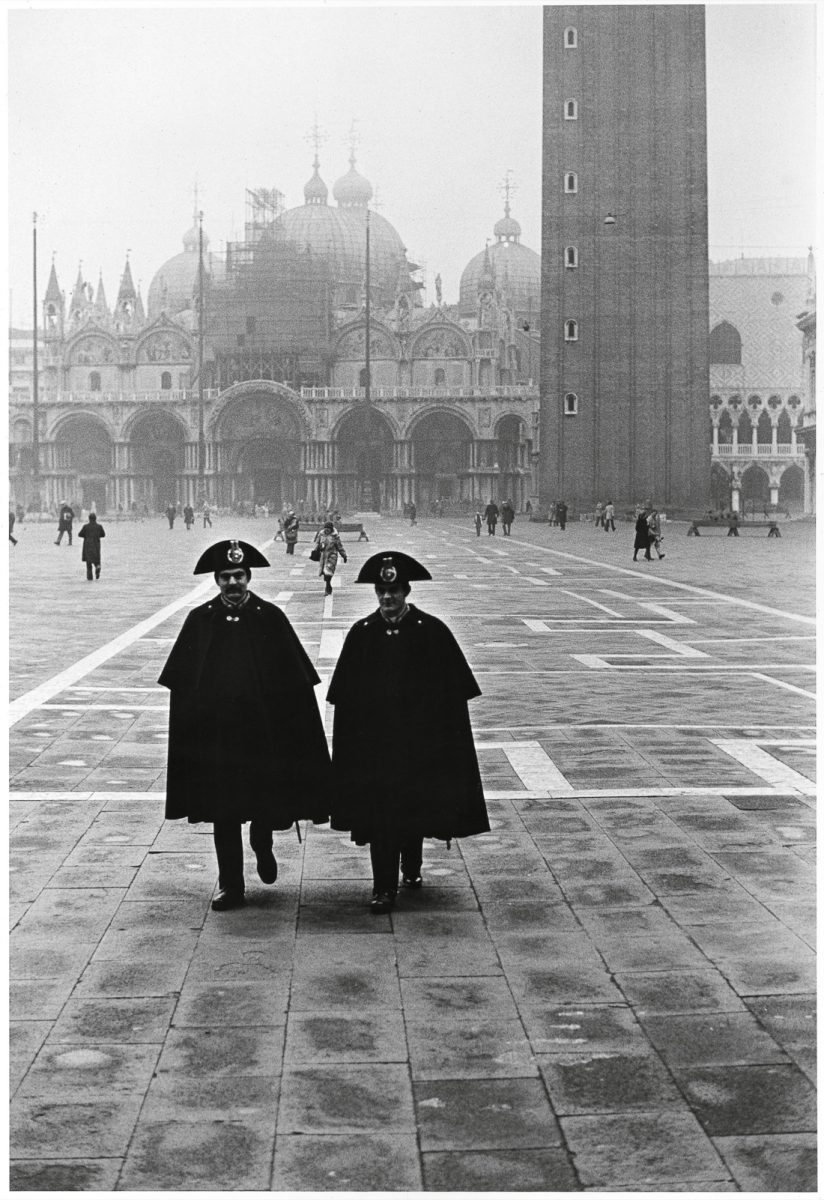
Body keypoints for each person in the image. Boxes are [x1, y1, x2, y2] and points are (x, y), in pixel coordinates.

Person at [158, 540, 331, 911]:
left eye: (238, 575)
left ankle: (262, 842)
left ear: (248, 577)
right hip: (219, 739)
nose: (232, 582)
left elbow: (294, 684)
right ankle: (231, 884)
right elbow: (183, 688)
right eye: (225, 577)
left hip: (262, 735)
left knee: (264, 804)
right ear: (216, 580)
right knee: (224, 812)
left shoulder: (270, 617)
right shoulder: (200, 620)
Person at [328, 551, 490, 914]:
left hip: (420, 746)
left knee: (413, 810)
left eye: (394, 591)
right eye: (382, 591)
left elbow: (453, 697)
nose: (387, 598)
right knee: (382, 816)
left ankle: (412, 867)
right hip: (377, 748)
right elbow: (345, 699)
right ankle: (383, 887)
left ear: (406, 591)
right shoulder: (362, 633)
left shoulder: (431, 631)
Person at [315, 521, 347, 595]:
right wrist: (318, 548)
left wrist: (344, 555)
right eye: (325, 528)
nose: (326, 530)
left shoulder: (335, 536)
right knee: (325, 572)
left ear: (331, 529)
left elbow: (339, 547)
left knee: (328, 571)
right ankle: (328, 585)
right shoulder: (321, 534)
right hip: (323, 556)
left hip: (332, 555)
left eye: (328, 529)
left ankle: (327, 588)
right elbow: (317, 543)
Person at [78, 512, 105, 580]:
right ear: (95, 519)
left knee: (89, 563)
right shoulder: (99, 526)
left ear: (89, 519)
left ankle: (90, 578)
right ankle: (97, 566)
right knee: (97, 559)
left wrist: (86, 536)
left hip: (87, 546)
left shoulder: (86, 527)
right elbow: (103, 534)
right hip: (96, 545)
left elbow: (80, 534)